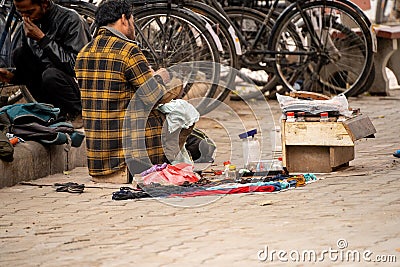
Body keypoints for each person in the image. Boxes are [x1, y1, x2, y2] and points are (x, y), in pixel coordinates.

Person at [75, 0, 192, 184]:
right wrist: (161, 77)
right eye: (132, 20)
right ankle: (162, 166)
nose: (134, 26)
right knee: (184, 113)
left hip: (98, 161)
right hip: (126, 157)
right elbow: (155, 96)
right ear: (124, 19)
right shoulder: (128, 50)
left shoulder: (84, 52)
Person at [0, 0, 92, 127]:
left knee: (50, 75)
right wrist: (12, 77)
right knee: (19, 54)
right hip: (50, 85)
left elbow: (77, 67)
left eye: (30, 12)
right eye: (21, 13)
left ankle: (77, 111)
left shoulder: (71, 20)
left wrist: (42, 39)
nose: (26, 17)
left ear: (44, 3)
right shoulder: (26, 25)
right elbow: (34, 71)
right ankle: (49, 110)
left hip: (78, 89)